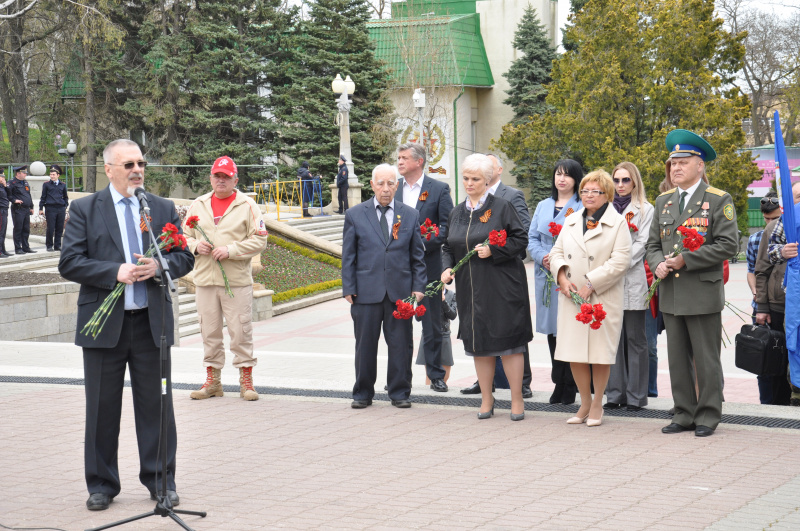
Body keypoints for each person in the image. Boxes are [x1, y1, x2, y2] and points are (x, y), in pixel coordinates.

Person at [58, 139, 194, 511]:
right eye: (129, 164)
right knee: (102, 409)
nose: (137, 170)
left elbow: (183, 257)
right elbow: (69, 262)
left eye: (141, 163)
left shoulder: (161, 208)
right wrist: (113, 272)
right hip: (104, 326)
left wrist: (160, 267)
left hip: (152, 325)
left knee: (158, 407)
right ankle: (101, 484)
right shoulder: (86, 208)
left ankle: (160, 481)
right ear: (109, 169)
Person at [645, 129, 738, 437]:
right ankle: (684, 412)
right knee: (677, 358)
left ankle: (708, 415)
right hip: (672, 292)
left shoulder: (717, 199)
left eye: (683, 162)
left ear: (700, 166)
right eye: (673, 164)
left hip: (701, 291)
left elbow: (728, 245)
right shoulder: (663, 201)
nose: (676, 168)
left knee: (706, 358)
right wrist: (657, 262)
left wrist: (688, 259)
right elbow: (652, 243)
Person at [441, 153, 532, 420]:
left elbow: (520, 240)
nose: (469, 183)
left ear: (487, 180)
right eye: (466, 178)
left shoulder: (502, 206)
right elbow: (448, 245)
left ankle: (517, 399)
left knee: (508, 343)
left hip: (502, 287)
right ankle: (486, 399)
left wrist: (494, 249)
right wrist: (447, 268)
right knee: (479, 342)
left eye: (475, 179)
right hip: (471, 289)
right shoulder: (457, 212)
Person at [549, 169, 631, 427]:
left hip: (601, 296)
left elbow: (620, 261)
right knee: (575, 352)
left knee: (598, 354)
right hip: (572, 295)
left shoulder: (617, 223)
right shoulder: (571, 220)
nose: (588, 196)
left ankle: (597, 404)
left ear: (606, 194)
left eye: (594, 191)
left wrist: (590, 283)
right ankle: (584, 402)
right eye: (584, 191)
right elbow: (556, 251)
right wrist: (562, 277)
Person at [184, 156, 269, 402]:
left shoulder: (247, 205)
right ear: (210, 178)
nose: (221, 181)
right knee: (209, 332)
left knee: (240, 331)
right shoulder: (198, 204)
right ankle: (213, 382)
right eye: (217, 176)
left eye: (226, 177)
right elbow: (183, 235)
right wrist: (195, 245)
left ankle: (246, 380)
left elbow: (260, 239)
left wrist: (231, 250)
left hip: (236, 281)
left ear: (235, 179)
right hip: (206, 280)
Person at [342, 164, 427, 409]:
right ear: (372, 185)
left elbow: (417, 257)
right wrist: (348, 288)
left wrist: (418, 288)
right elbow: (348, 255)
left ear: (397, 186)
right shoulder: (356, 214)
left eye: (391, 183)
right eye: (380, 183)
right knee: (365, 345)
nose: (385, 188)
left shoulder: (409, 215)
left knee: (401, 345)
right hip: (365, 293)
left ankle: (400, 392)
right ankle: (362, 393)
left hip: (400, 293)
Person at [397, 142, 454, 392]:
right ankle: (400, 377)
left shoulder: (438, 189)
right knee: (398, 323)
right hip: (398, 267)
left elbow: (447, 226)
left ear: (419, 162)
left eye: (404, 158)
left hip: (429, 265)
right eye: (398, 158)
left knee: (431, 324)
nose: (399, 162)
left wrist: (422, 241)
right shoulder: (393, 188)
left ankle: (436, 375)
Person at [527, 159, 583, 405]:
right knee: (552, 331)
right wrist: (543, 258)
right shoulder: (543, 205)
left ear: (576, 179)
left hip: (570, 273)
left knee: (569, 330)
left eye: (567, 175)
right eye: (558, 174)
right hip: (545, 273)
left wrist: (560, 260)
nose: (562, 179)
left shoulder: (582, 206)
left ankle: (571, 383)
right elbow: (532, 239)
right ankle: (557, 381)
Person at [605, 162, 654, 412]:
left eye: (626, 180)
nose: (621, 185)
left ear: (634, 182)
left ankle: (636, 396)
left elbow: (642, 244)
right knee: (612, 339)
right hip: (607, 282)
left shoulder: (645, 210)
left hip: (631, 278)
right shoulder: (604, 208)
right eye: (616, 180)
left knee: (636, 339)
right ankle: (614, 394)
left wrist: (615, 264)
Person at [764, 180, 800, 406]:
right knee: (794, 342)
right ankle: (796, 393)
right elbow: (771, 251)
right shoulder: (785, 221)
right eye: (797, 197)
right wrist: (783, 251)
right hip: (794, 297)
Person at [748, 191, 785, 404]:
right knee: (768, 360)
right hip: (767, 306)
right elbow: (755, 270)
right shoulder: (757, 238)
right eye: (767, 218)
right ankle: (768, 405)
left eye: (774, 217)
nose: (770, 222)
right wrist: (759, 299)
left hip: (780, 302)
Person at [415, 287, 457, 383]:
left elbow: (453, 315)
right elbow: (418, 317)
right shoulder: (426, 293)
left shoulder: (451, 294)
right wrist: (421, 302)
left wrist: (443, 301)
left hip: (444, 334)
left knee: (445, 376)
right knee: (430, 376)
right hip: (428, 335)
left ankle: (441, 393)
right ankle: (429, 396)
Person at [39, 164, 69, 252]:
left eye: (53, 175)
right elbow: (43, 197)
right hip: (50, 208)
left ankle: (57, 245)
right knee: (50, 228)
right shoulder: (46, 185)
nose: (52, 176)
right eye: (51, 174)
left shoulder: (62, 185)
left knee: (59, 228)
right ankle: (49, 245)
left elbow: (65, 196)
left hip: (60, 209)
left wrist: (65, 204)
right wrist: (41, 208)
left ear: (58, 175)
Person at [9, 165, 35, 254]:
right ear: (18, 173)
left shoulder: (25, 183)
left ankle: (25, 247)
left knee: (26, 228)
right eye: (24, 173)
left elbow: (29, 195)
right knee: (18, 228)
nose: (25, 175)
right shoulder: (12, 183)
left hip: (26, 209)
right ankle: (18, 248)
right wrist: (14, 200)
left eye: (25, 173)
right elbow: (8, 195)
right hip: (18, 209)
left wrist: (31, 207)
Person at [0, 171, 10, 258]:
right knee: (0, 232)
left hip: (4, 210)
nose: (3, 179)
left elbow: (9, 196)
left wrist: (5, 186)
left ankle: (3, 250)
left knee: (3, 232)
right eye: (1, 177)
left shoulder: (3, 187)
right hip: (1, 210)